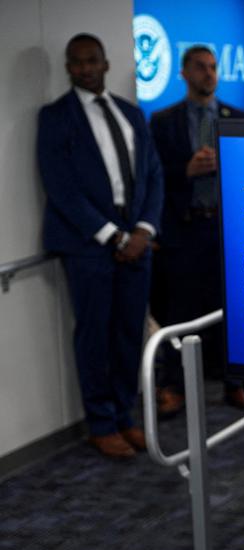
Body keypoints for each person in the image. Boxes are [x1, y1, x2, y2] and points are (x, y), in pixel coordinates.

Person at [37, 33, 163, 458]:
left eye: (92, 60)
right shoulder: (55, 117)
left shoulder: (131, 113)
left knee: (129, 333)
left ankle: (125, 416)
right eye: (77, 62)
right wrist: (114, 236)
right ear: (68, 68)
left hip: (138, 242)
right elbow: (61, 187)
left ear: (106, 63)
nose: (85, 68)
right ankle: (101, 424)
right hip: (88, 246)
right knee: (94, 336)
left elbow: (153, 175)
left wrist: (143, 230)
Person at [149, 45, 244, 415]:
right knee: (180, 311)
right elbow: (152, 174)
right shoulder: (163, 121)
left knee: (232, 310)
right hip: (185, 227)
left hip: (226, 229)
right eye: (200, 67)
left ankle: (236, 383)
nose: (208, 73)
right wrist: (186, 171)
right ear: (184, 73)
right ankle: (173, 386)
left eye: (212, 67)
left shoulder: (237, 118)